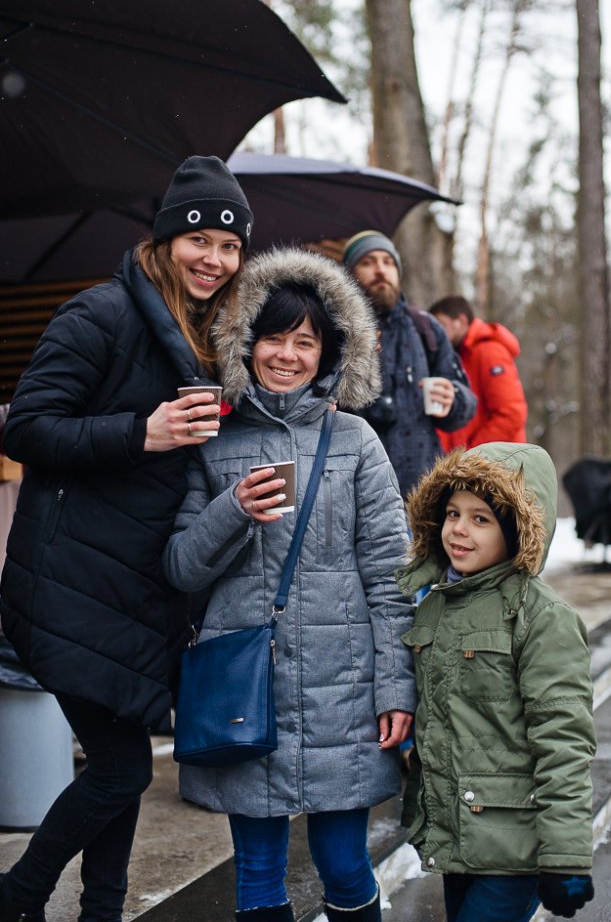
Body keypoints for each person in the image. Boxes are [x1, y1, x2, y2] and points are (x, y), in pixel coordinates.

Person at [0, 156, 254, 922]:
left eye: (231, 246)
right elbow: (29, 428)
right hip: (70, 578)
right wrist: (139, 432)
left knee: (125, 764)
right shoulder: (101, 313)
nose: (214, 258)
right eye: (200, 238)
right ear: (168, 236)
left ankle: (103, 909)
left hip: (139, 587)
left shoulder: (209, 335)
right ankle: (18, 893)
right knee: (119, 769)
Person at [163, 247, 416, 922]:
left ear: (330, 352)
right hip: (246, 689)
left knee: (342, 863)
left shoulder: (356, 440)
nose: (287, 354)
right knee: (257, 870)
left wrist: (397, 687)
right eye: (273, 336)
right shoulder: (211, 441)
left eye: (305, 341)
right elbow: (181, 568)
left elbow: (392, 578)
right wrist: (231, 509)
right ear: (244, 341)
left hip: (345, 692)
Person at [397, 442, 596, 922]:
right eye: (451, 514)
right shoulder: (434, 606)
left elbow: (563, 740)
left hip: (514, 845)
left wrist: (566, 856)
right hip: (456, 835)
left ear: (518, 529)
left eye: (481, 519)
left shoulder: (540, 617)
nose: (458, 530)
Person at [341, 231, 476, 498]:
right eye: (368, 262)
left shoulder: (425, 327)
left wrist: (454, 399)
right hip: (354, 488)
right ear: (349, 273)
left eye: (388, 262)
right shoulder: (334, 328)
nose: (381, 269)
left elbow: (468, 400)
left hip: (421, 491)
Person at [430, 294, 527, 449]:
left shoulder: (488, 351)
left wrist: (472, 455)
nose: (436, 334)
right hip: (475, 466)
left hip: (496, 466)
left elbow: (511, 414)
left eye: (441, 325)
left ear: (461, 321)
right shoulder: (459, 355)